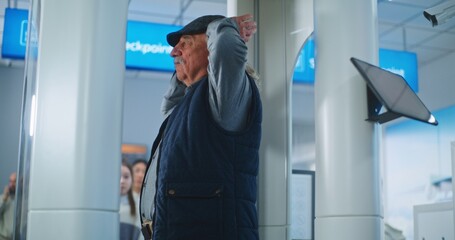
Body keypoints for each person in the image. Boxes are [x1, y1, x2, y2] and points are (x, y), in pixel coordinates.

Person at [139, 13, 262, 240]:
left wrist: (223, 27)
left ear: (211, 49)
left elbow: (225, 46)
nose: (173, 52)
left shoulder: (225, 97)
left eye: (185, 43)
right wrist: (184, 65)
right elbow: (167, 106)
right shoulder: (189, 104)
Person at [120, 161, 141, 240]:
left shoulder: (138, 206)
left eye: (126, 177)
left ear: (132, 179)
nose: (122, 181)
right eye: (118, 176)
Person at [0, 172, 16, 240]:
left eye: (15, 181)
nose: (12, 184)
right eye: (10, 181)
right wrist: (4, 199)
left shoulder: (22, 201)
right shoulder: (2, 198)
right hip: (3, 237)